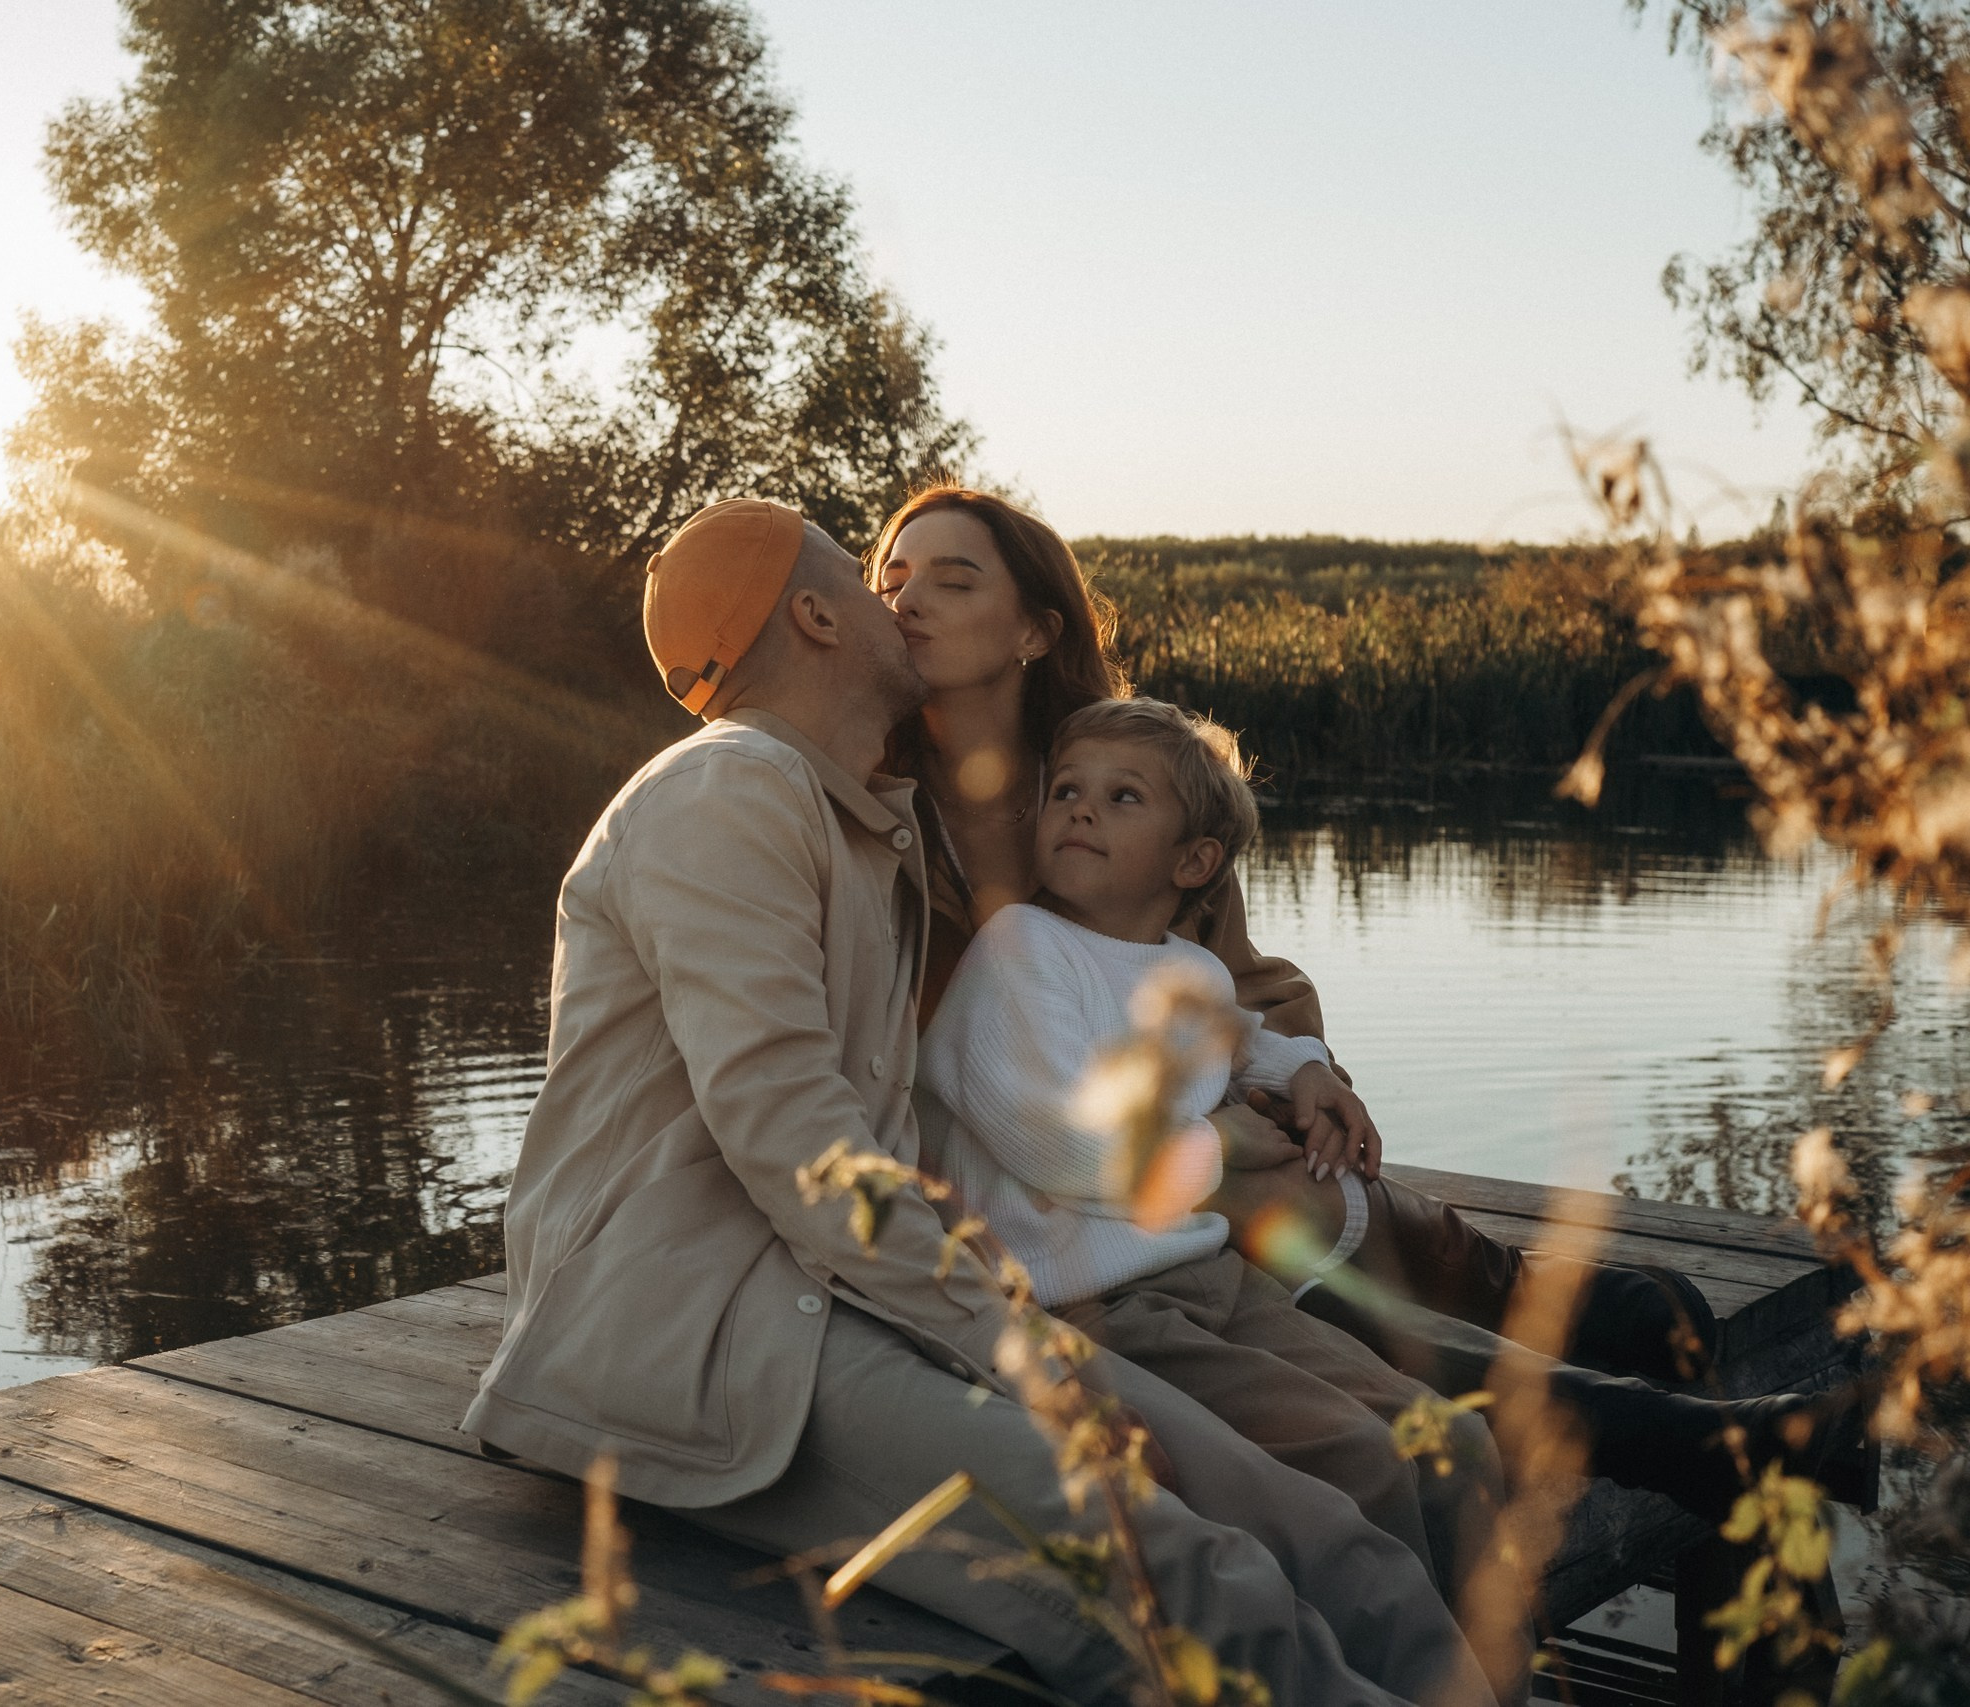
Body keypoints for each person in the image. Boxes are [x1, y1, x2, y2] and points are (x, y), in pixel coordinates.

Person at [463, 498, 1491, 1707]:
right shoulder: (727, 794)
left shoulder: (862, 822)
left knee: (1330, 1538)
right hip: (709, 1336)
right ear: (812, 613)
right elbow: (799, 1146)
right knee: (1206, 1583)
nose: (891, 595)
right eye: (867, 572)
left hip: (866, 1296)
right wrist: (1006, 1327)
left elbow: (1182, 999)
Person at [917, 691, 1868, 1536]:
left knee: (1435, 1430)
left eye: (1120, 796)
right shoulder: (1023, 945)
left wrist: (1307, 1072)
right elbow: (1055, 1133)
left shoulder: (1184, 965)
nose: (1080, 806)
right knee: (1384, 1434)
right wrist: (1218, 1142)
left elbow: (1241, 1030)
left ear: (1194, 859)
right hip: (1103, 1288)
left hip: (1209, 1263)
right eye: (1066, 792)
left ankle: (1627, 1418)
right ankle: (1659, 1427)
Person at [869, 485, 1715, 1384]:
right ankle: (1500, 1340)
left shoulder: (1124, 781)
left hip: (1142, 1148)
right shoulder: (867, 801)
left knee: (1283, 1157)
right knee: (1241, 1174)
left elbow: (1225, 979)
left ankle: (1519, 1305)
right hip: (986, 1171)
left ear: (1035, 631)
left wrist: (1303, 1066)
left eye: (953, 582)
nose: (907, 601)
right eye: (889, 579)